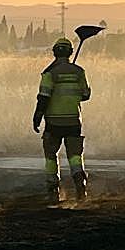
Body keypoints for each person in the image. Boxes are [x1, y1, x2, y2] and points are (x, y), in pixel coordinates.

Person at [33, 36, 91, 201]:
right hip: (73, 121)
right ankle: (80, 184)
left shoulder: (49, 73)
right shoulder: (79, 72)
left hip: (53, 122)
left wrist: (37, 117)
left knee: (51, 155)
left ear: (54, 52)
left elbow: (43, 98)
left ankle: (53, 190)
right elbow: (85, 95)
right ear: (70, 52)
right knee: (74, 156)